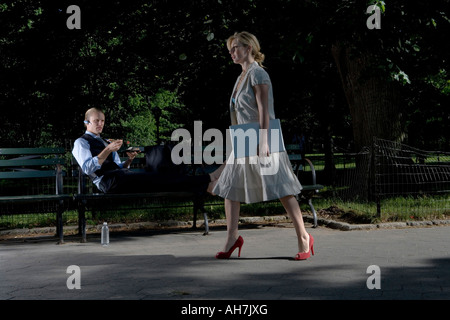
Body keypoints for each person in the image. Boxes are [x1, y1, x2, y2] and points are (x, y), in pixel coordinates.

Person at [209, 31, 314, 260]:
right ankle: (232, 238)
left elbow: (265, 110)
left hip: (263, 139)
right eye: (230, 49)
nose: (232, 52)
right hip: (244, 138)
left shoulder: (258, 74)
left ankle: (304, 237)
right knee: (229, 187)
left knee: (282, 188)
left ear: (249, 48)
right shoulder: (241, 76)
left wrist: (264, 140)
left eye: (235, 47)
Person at [72, 107, 214, 195]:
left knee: (159, 178)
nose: (100, 124)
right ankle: (207, 180)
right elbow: (87, 168)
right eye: (96, 121)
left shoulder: (104, 142)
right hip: (107, 182)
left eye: (102, 121)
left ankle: (205, 185)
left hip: (121, 177)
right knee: (157, 179)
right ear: (86, 123)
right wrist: (108, 150)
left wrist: (129, 160)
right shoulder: (81, 142)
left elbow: (118, 166)